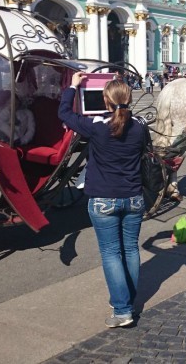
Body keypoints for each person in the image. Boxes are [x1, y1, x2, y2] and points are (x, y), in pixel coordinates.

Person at [59, 72, 146, 328]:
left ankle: (122, 310)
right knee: (130, 249)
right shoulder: (140, 125)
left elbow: (64, 113)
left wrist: (73, 87)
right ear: (129, 99)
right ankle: (125, 300)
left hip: (103, 200)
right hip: (133, 198)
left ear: (106, 101)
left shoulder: (97, 125)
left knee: (111, 253)